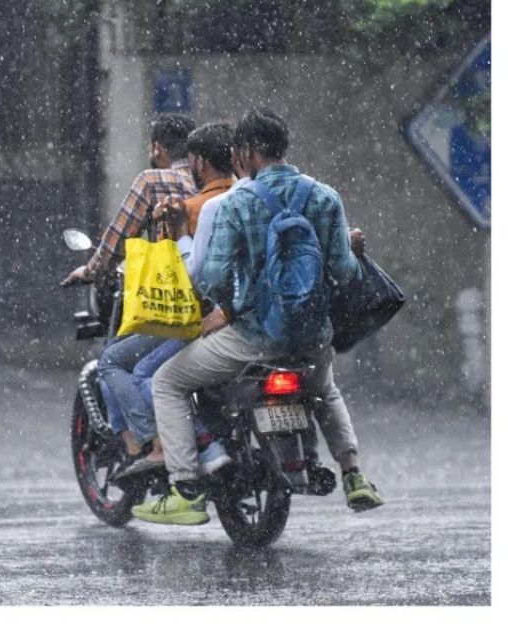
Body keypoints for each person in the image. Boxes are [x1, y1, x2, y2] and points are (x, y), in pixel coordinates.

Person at [133, 107, 383, 527]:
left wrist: (229, 306)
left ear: (247, 151)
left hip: (252, 338)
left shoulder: (238, 203)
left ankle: (184, 491)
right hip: (311, 336)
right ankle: (354, 475)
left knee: (166, 381)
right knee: (325, 390)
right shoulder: (324, 197)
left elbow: (211, 277)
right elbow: (344, 272)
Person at [60, 114, 198, 466]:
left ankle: (149, 445)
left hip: (175, 304)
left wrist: (91, 270)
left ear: (157, 147)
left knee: (112, 362)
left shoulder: (152, 181)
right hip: (222, 306)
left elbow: (118, 238)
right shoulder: (215, 182)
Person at [107, 122, 238, 480]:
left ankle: (168, 450)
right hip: (256, 319)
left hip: (203, 317)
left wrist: (177, 231)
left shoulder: (193, 205)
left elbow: (196, 275)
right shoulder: (251, 197)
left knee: (139, 371)